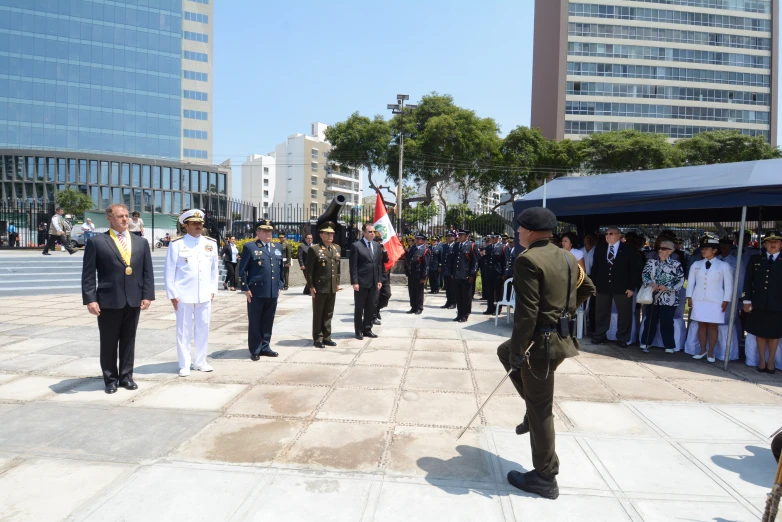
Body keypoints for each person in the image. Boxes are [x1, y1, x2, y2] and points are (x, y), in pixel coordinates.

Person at [497, 207, 594, 500]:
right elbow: (588, 287)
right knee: (504, 353)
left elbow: (526, 313)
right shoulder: (567, 256)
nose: (517, 233)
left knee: (542, 411)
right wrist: (565, 312)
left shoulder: (527, 259)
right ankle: (530, 408)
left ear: (528, 231)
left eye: (519, 229)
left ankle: (545, 476)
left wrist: (519, 349)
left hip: (540, 345)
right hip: (561, 339)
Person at [81, 203, 154, 394]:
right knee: (109, 341)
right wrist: (90, 299)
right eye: (120, 216)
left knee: (129, 340)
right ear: (109, 218)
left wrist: (147, 295)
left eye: (126, 216)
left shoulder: (140, 242)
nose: (125, 219)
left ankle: (126, 377)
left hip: (134, 299)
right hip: (108, 300)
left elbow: (147, 272)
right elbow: (88, 274)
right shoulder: (97, 242)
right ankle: (110, 379)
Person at [164, 210, 219, 377]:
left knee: (203, 328)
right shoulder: (177, 244)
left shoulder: (211, 243)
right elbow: (169, 270)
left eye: (200, 223)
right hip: (183, 295)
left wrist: (212, 290)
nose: (198, 226)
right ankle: (185, 364)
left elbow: (214, 270)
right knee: (183, 330)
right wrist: (172, 294)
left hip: (204, 294)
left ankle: (200, 361)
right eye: (194, 223)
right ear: (185, 225)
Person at [239, 220, 284, 360]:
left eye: (270, 231)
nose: (268, 233)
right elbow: (242, 270)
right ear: (258, 232)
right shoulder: (250, 247)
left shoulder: (277, 247)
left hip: (272, 290)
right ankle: (255, 349)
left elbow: (281, 268)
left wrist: (280, 284)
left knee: (268, 320)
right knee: (255, 320)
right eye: (264, 231)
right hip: (256, 291)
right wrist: (245, 288)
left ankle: (265, 346)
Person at [591, 227, 641, 348]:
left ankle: (622, 338)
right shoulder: (600, 249)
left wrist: (631, 287)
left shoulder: (628, 249)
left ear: (619, 235)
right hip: (603, 286)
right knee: (601, 312)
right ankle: (600, 335)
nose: (607, 236)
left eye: (611, 233)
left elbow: (634, 270)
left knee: (624, 313)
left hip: (622, 286)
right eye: (606, 234)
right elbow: (595, 268)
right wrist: (594, 285)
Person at [687, 237, 733, 363]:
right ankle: (702, 350)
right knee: (701, 324)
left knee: (713, 326)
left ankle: (711, 351)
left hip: (716, 299)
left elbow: (729, 284)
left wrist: (726, 300)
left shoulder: (724, 265)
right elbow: (691, 282)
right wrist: (689, 297)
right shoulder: (696, 265)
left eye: (707, 248)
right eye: (703, 248)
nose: (703, 250)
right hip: (699, 298)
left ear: (714, 250)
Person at [743, 231, 782, 373]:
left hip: (778, 304)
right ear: (764, 244)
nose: (773, 244)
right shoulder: (756, 259)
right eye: (770, 242)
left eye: (776, 241)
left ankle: (771, 360)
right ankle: (761, 359)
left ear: (781, 244)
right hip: (758, 302)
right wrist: (746, 300)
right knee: (760, 332)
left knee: (774, 333)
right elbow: (748, 280)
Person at [639, 239, 685, 354]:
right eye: (659, 248)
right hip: (653, 297)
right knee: (650, 320)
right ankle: (646, 342)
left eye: (664, 249)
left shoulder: (676, 264)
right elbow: (644, 275)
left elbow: (680, 280)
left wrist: (667, 287)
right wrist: (651, 283)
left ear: (670, 251)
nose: (660, 250)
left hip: (669, 299)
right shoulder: (651, 262)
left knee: (667, 321)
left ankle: (669, 345)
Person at [305, 221, 341, 348]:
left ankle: (327, 337)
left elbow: (338, 269)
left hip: (331, 286)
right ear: (321, 234)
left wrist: (337, 283)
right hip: (319, 287)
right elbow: (309, 271)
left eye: (332, 233)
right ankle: (318, 338)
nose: (330, 235)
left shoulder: (337, 248)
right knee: (318, 313)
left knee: (329, 313)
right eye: (327, 233)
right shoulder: (314, 249)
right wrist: (311, 286)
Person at [349, 222, 383, 340]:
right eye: (370, 231)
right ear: (364, 233)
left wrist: (379, 279)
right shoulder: (356, 246)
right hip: (361, 282)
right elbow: (353, 266)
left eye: (373, 231)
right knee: (359, 307)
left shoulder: (377, 246)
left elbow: (378, 265)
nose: (372, 233)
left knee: (370, 307)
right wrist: (355, 282)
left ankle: (367, 328)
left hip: (373, 282)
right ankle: (358, 330)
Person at [451, 229, 479, 322]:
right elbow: (453, 260)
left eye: (462, 235)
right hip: (457, 274)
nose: (459, 236)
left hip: (466, 275)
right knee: (458, 295)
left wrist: (472, 274)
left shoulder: (472, 246)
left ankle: (465, 314)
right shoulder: (456, 245)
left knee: (466, 296)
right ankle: (459, 314)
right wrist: (452, 273)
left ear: (467, 236)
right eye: (459, 235)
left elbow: (475, 261)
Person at [406, 233, 430, 314]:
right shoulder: (413, 248)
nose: (417, 240)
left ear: (423, 240)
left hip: (419, 274)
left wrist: (424, 277)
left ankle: (419, 307)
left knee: (419, 292)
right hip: (411, 273)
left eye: (419, 239)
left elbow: (426, 265)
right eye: (416, 238)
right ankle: (413, 307)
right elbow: (408, 257)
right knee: (411, 291)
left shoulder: (425, 250)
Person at [373, 233, 391, 324]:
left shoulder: (381, 250)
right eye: (378, 243)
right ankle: (374, 315)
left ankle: (377, 309)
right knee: (376, 296)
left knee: (387, 294)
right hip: (375, 275)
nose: (380, 245)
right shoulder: (372, 250)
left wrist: (384, 251)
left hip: (383, 275)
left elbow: (386, 260)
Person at [440, 231, 457, 310]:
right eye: (448, 236)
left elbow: (455, 260)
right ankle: (448, 301)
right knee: (447, 287)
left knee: (453, 288)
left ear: (454, 237)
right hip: (445, 270)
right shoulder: (445, 246)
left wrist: (453, 272)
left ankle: (453, 302)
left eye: (451, 236)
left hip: (452, 271)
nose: (449, 237)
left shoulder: (455, 246)